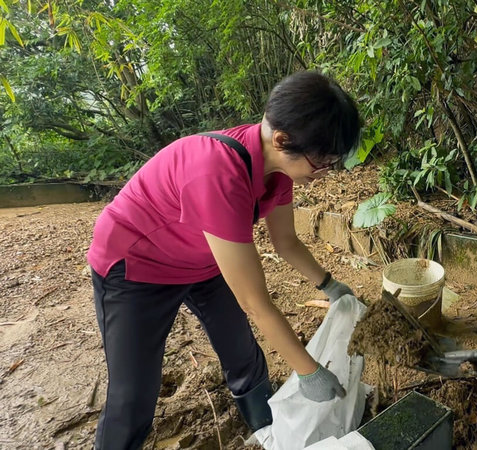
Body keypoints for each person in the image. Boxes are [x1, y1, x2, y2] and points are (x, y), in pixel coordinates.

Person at [87, 71, 361, 450]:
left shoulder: (278, 169)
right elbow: (255, 302)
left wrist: (329, 285)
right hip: (136, 266)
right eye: (324, 163)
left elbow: (286, 241)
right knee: (133, 396)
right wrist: (309, 372)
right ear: (282, 140)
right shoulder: (216, 171)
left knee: (241, 351)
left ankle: (267, 429)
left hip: (201, 258)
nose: (327, 172)